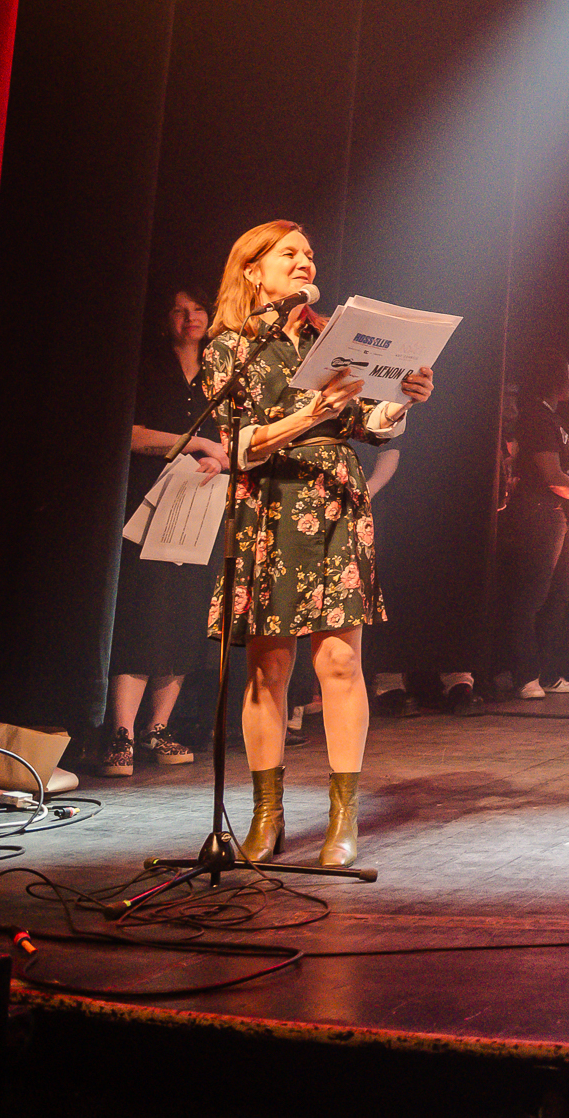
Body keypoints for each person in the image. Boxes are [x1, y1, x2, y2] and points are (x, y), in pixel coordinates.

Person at [204, 220, 435, 866]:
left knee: (338, 662)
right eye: (290, 253)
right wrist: (308, 414)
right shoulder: (230, 347)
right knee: (268, 667)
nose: (306, 261)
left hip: (334, 502)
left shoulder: (330, 337)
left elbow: (369, 424)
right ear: (253, 269)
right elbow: (238, 444)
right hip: (269, 502)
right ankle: (267, 815)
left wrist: (403, 400)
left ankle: (343, 817)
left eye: (309, 253)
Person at [99, 287, 231, 777]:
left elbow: (237, 441)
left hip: (203, 504)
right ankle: (121, 734)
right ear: (164, 318)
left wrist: (220, 458)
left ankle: (158, 729)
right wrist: (196, 443)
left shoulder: (222, 371)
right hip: (149, 504)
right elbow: (128, 433)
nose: (190, 317)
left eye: (197, 309)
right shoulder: (148, 369)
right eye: (179, 310)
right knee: (142, 614)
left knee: (185, 615)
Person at [498, 349, 569, 700]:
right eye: (567, 375)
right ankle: (525, 675)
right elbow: (551, 475)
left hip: (560, 515)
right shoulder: (537, 419)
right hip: (539, 512)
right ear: (551, 379)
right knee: (533, 595)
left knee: (559, 594)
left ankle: (549, 673)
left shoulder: (555, 419)